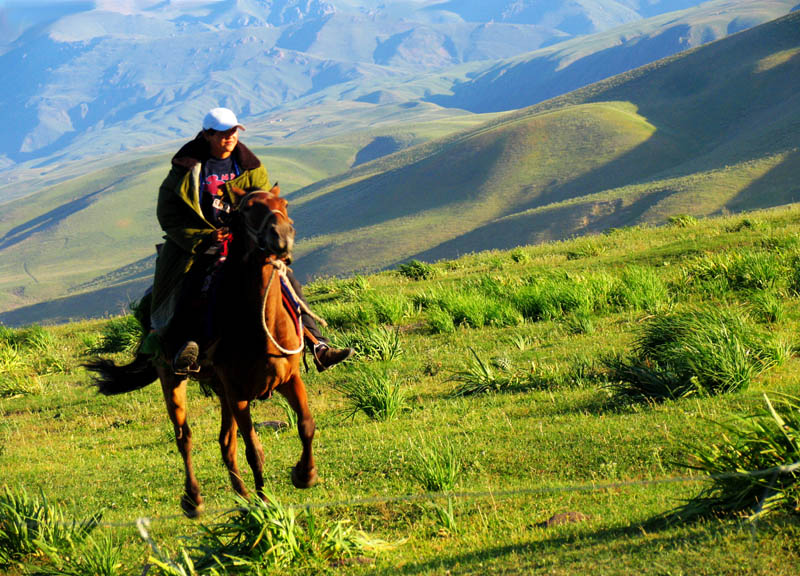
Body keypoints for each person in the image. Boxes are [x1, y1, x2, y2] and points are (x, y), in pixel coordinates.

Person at [150, 107, 353, 374]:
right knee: (191, 283)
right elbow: (168, 214)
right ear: (207, 135)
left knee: (287, 281)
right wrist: (203, 236)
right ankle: (185, 347)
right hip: (202, 245)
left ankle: (318, 345)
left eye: (234, 131)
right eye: (223, 133)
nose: (230, 137)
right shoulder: (185, 170)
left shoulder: (250, 167)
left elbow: (264, 206)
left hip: (246, 242)